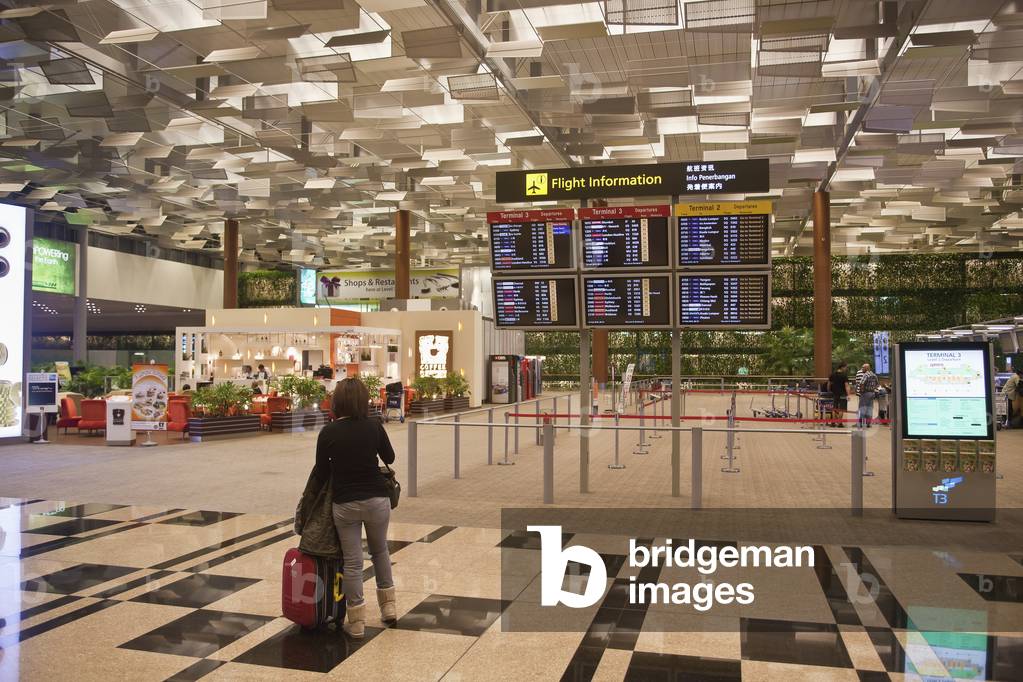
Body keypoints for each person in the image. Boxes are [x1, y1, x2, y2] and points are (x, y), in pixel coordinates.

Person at [311, 378, 396, 638]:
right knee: (380, 551)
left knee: (353, 561)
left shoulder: (329, 432)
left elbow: (321, 471)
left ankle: (357, 620)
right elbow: (390, 458)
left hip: (345, 503)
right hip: (377, 501)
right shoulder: (374, 426)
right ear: (363, 400)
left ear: (337, 402)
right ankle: (389, 607)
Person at [828, 362, 850, 427]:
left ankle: (833, 423)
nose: (846, 369)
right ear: (842, 367)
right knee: (842, 408)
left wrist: (829, 390)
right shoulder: (844, 375)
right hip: (843, 394)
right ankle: (840, 423)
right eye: (846, 367)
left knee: (834, 407)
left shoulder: (832, 374)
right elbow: (846, 386)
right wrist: (848, 395)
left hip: (835, 393)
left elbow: (829, 384)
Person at [856, 363, 879, 428]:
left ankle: (861, 423)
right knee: (870, 408)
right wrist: (873, 389)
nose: (862, 369)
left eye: (863, 367)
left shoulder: (865, 375)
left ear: (867, 368)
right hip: (872, 393)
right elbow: (877, 384)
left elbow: (861, 384)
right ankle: (868, 423)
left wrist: (862, 391)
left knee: (862, 407)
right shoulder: (874, 375)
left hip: (865, 393)